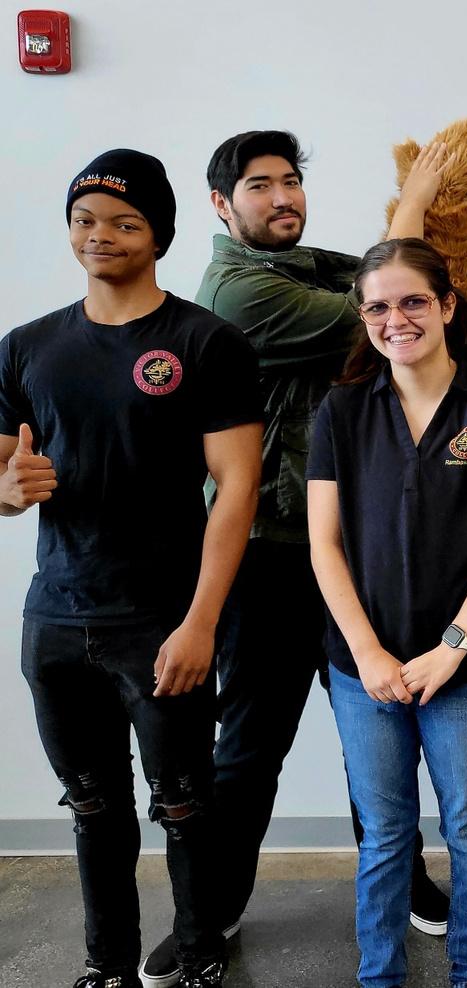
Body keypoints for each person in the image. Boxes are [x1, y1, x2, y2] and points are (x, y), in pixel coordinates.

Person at [140, 131, 453, 987]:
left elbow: (386, 285)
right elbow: (373, 308)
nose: (282, 198)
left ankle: (404, 883)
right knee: (249, 746)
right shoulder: (237, 292)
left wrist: (397, 252)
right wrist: (414, 204)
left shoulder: (304, 265)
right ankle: (209, 913)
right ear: (220, 205)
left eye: (290, 181)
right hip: (270, 557)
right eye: (259, 185)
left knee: (379, 733)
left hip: (359, 552)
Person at [0, 150, 263, 988]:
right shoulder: (27, 347)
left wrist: (200, 622)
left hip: (162, 622)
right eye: (85, 220)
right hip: (56, 619)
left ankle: (199, 958)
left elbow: (238, 488)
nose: (100, 235)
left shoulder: (205, 342)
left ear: (158, 235)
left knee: (184, 804)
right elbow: (5, 473)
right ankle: (106, 966)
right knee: (92, 807)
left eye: (124, 222)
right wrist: (6, 492)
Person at [308, 238, 467, 988]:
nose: (396, 319)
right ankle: (380, 979)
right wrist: (368, 654)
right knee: (385, 836)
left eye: (413, 301)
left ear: (445, 305)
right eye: (377, 307)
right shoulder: (341, 410)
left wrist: (454, 647)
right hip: (364, 672)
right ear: (363, 317)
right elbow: (323, 545)